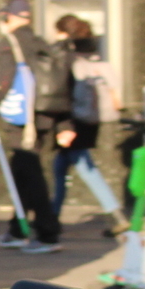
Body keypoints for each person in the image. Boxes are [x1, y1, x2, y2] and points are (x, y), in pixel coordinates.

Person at [0, 0, 69, 252]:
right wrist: (63, 124)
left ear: (8, 17)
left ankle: (48, 233)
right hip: (44, 115)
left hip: (22, 118)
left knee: (31, 174)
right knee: (23, 173)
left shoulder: (10, 44)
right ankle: (18, 229)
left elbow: (5, 81)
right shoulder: (40, 43)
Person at [50, 14, 117, 228]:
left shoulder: (67, 57)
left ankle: (114, 211)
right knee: (64, 166)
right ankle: (52, 213)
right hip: (90, 118)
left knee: (82, 168)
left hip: (73, 120)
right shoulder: (93, 55)